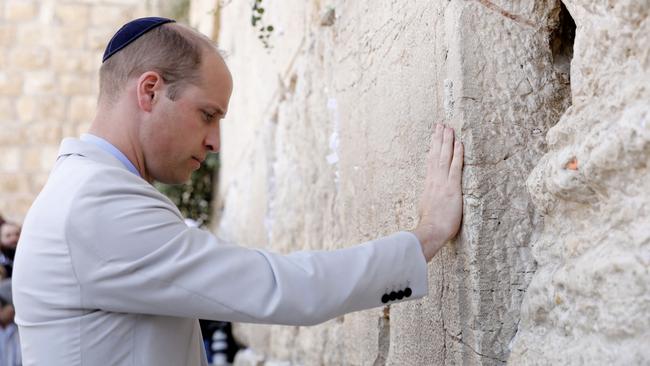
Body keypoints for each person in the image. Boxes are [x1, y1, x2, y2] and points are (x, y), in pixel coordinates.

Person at [13, 17, 464, 366]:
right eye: (208, 115)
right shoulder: (94, 205)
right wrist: (426, 236)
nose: (214, 143)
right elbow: (278, 287)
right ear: (150, 90)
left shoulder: (85, 193)